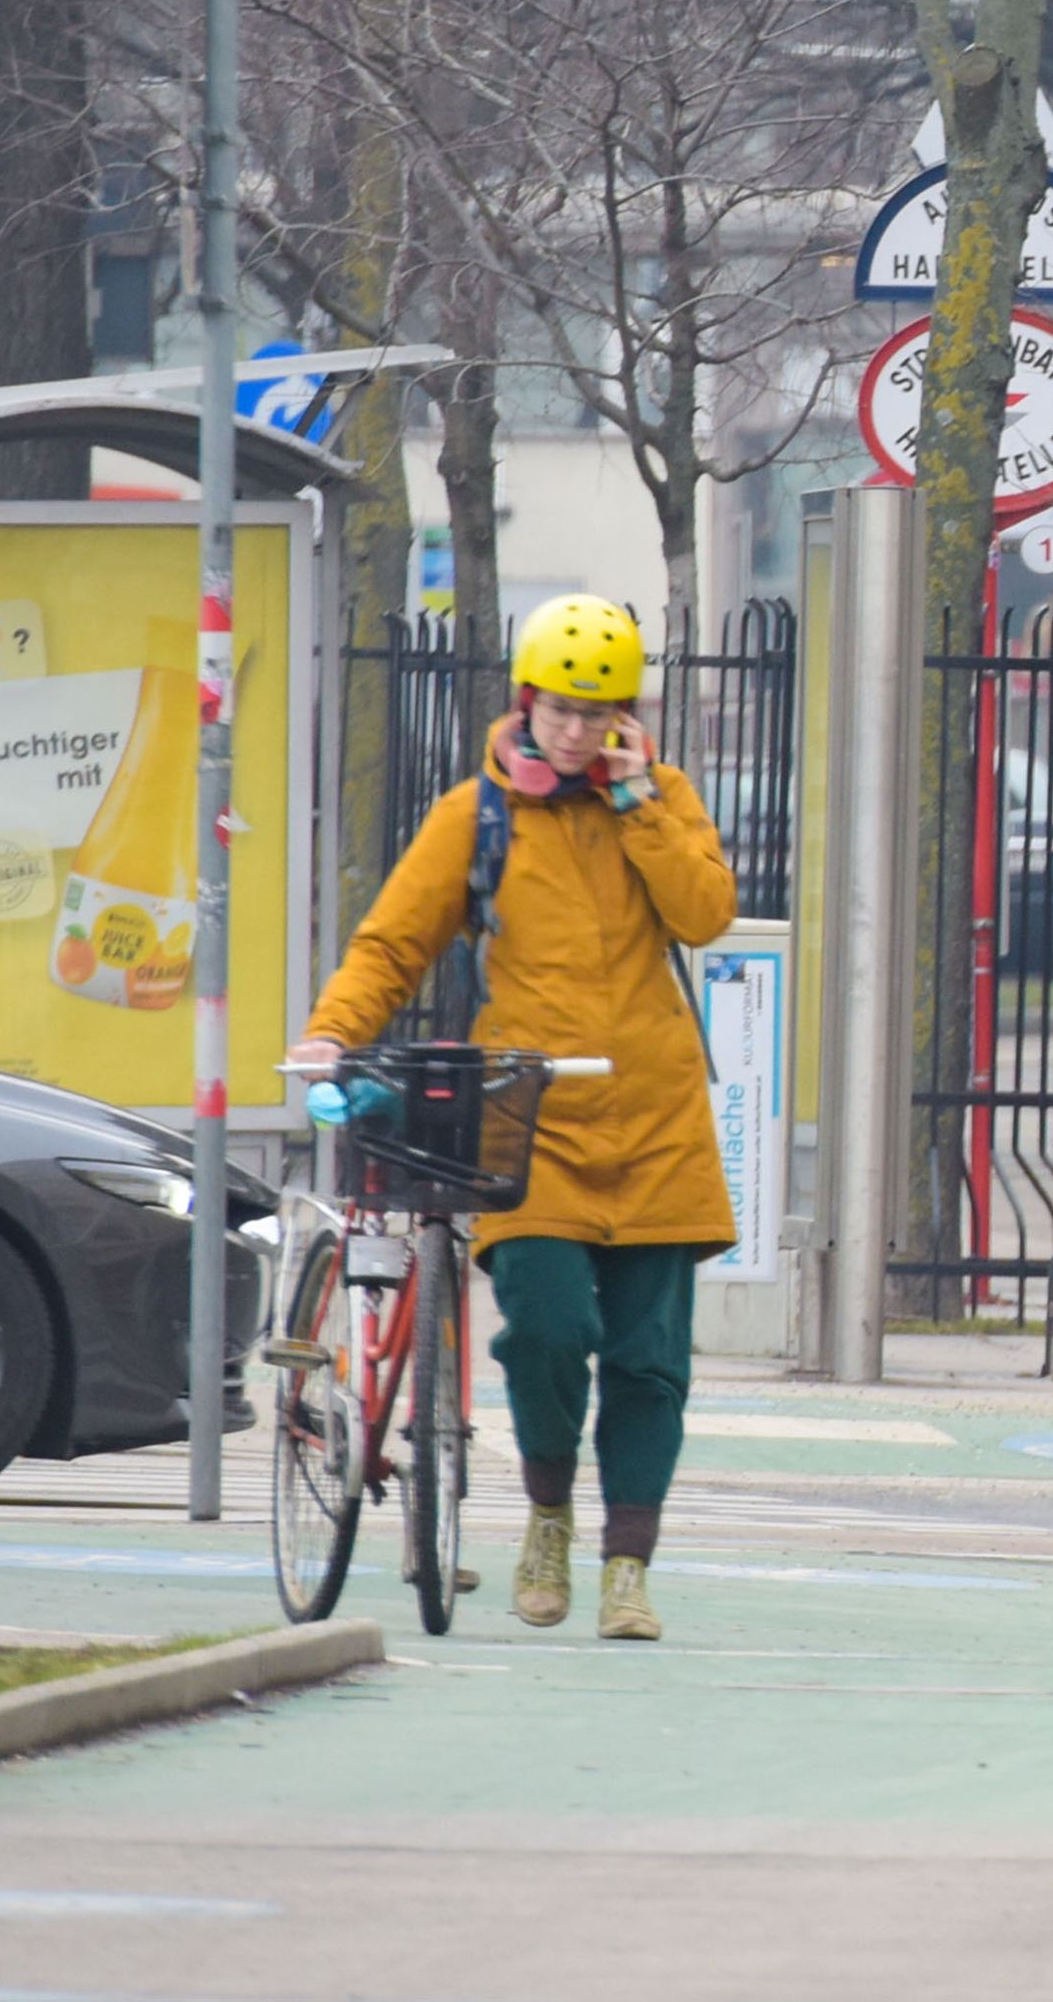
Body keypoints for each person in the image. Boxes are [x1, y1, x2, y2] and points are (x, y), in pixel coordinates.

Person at [296, 596, 737, 1642]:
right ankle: (547, 1515)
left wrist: (640, 806)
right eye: (561, 710)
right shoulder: (477, 814)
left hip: (659, 1118)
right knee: (545, 1331)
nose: (577, 732)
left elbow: (704, 913)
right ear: (526, 702)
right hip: (532, 1121)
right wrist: (330, 1031)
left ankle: (629, 1565)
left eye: (600, 713)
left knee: (648, 1362)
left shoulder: (661, 797)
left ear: (625, 717)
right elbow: (392, 946)